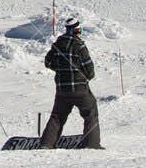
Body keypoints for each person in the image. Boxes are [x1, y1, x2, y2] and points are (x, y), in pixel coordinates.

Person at [39, 19, 102, 149]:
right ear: (77, 30)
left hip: (62, 90)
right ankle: (92, 144)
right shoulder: (80, 46)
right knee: (90, 113)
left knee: (57, 116)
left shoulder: (57, 45)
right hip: (80, 89)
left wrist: (61, 70)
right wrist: (83, 76)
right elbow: (89, 70)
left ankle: (46, 144)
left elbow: (48, 62)